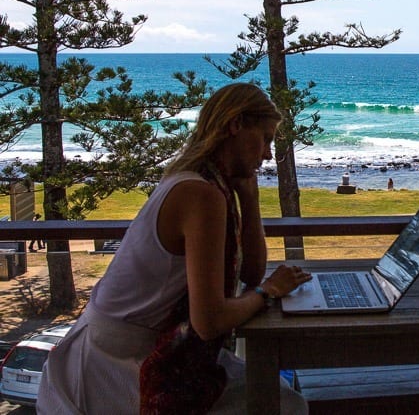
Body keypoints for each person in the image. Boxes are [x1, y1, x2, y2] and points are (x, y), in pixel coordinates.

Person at [38, 83, 312, 414]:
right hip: (116, 367)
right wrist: (269, 292)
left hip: (142, 349)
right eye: (265, 138)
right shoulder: (200, 194)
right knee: (286, 407)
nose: (268, 153)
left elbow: (250, 274)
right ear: (235, 125)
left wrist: (249, 198)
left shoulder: (207, 182)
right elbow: (209, 321)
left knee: (284, 402)